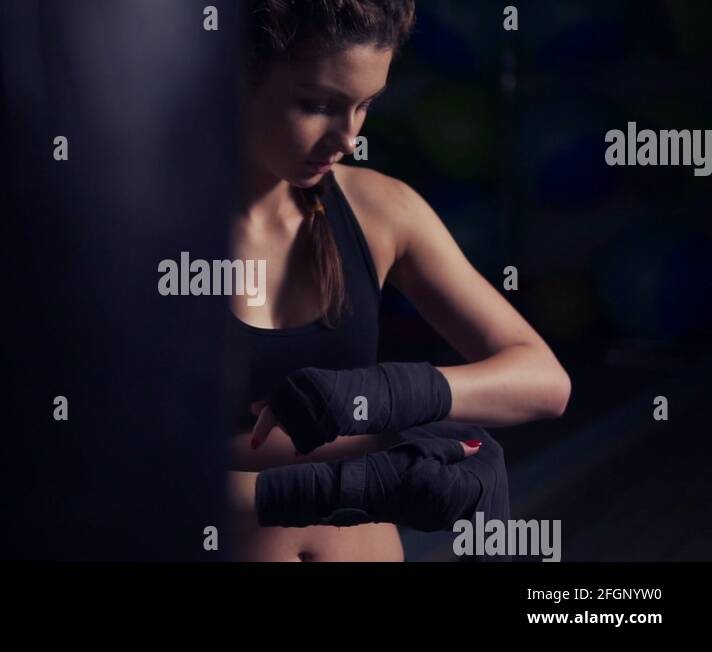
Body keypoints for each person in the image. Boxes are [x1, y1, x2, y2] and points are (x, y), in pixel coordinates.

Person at [226, 0, 571, 561]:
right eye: (318, 105)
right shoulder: (149, 233)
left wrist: (384, 399)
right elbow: (117, 475)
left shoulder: (381, 210)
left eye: (365, 105)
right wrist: (359, 475)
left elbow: (544, 381)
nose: (348, 138)